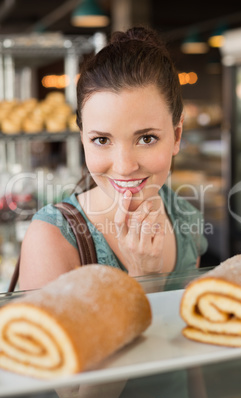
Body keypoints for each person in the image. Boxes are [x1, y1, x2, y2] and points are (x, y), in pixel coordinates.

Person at [19, 26, 208, 290]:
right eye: (102, 140)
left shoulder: (186, 218)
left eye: (146, 138)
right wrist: (143, 276)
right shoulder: (50, 238)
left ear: (176, 136)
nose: (124, 167)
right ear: (83, 139)